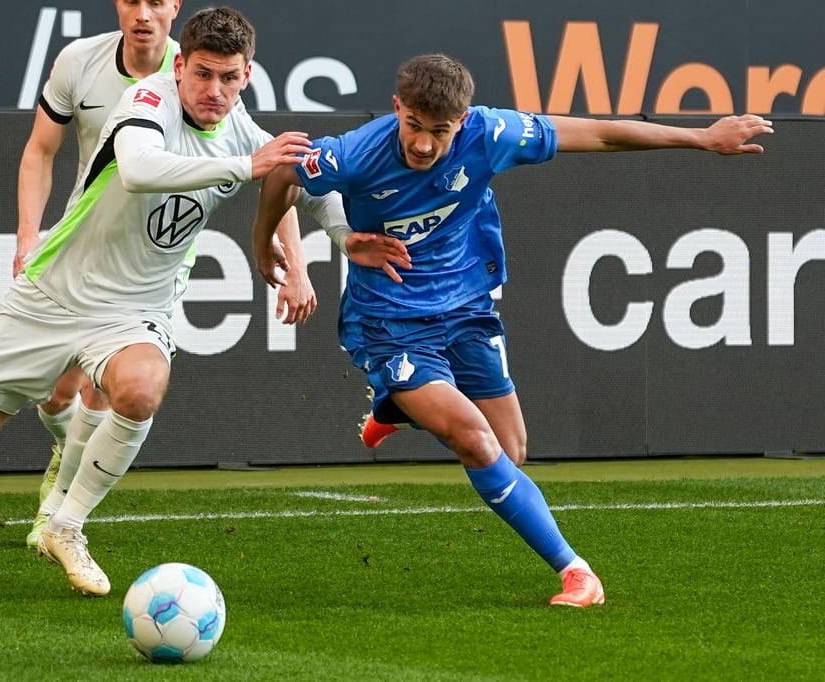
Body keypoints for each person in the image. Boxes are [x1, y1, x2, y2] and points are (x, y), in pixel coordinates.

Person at [0, 6, 401, 597]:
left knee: (138, 390)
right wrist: (249, 167)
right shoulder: (146, 100)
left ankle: (67, 523)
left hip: (137, 310)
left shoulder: (244, 129)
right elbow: (137, 169)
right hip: (51, 292)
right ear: (180, 65)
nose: (215, 91)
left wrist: (343, 240)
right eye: (204, 74)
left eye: (230, 78)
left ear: (248, 75)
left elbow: (305, 188)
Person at [252, 53, 773, 607]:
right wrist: (266, 246)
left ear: (464, 119)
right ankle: (577, 573)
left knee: (510, 449)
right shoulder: (357, 151)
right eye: (414, 127)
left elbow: (598, 135)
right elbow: (284, 173)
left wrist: (700, 139)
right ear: (398, 107)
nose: (424, 145)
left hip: (467, 305)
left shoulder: (493, 132)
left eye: (441, 132)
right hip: (391, 320)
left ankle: (396, 408)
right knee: (475, 441)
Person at [14, 0, 316, 550]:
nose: (144, 13)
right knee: (58, 398)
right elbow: (45, 151)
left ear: (175, 8)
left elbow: (276, 168)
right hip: (86, 244)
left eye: (158, 1)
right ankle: (67, 455)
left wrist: (299, 262)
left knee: (114, 388)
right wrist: (27, 235)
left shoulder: (210, 76)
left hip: (149, 273)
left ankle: (58, 516)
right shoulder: (85, 64)